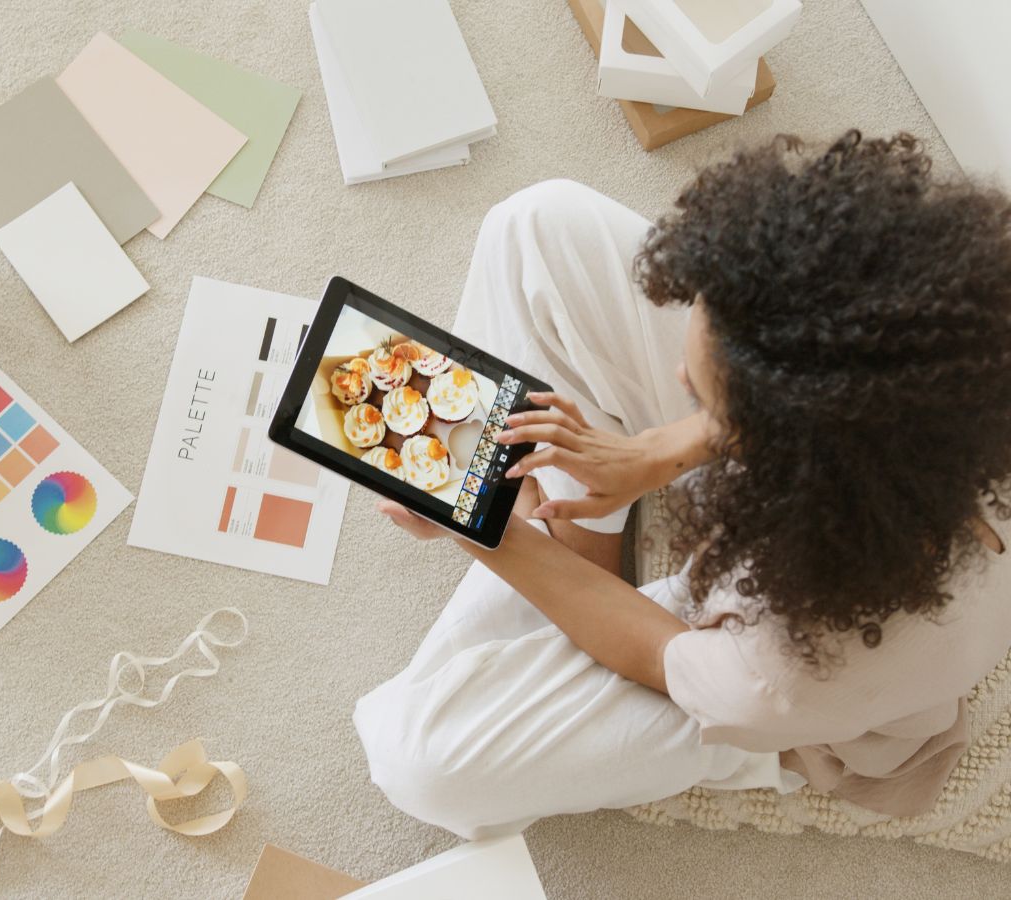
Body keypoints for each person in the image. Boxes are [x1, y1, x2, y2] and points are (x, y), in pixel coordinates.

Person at [352, 131, 1011, 840]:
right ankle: (580, 538)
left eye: (699, 396)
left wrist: (488, 531)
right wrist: (654, 453)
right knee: (537, 227)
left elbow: (651, 650)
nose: (676, 381)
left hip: (765, 665)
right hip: (822, 473)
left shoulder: (792, 674)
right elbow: (828, 406)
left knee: (416, 759)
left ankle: (565, 547)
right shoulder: (957, 369)